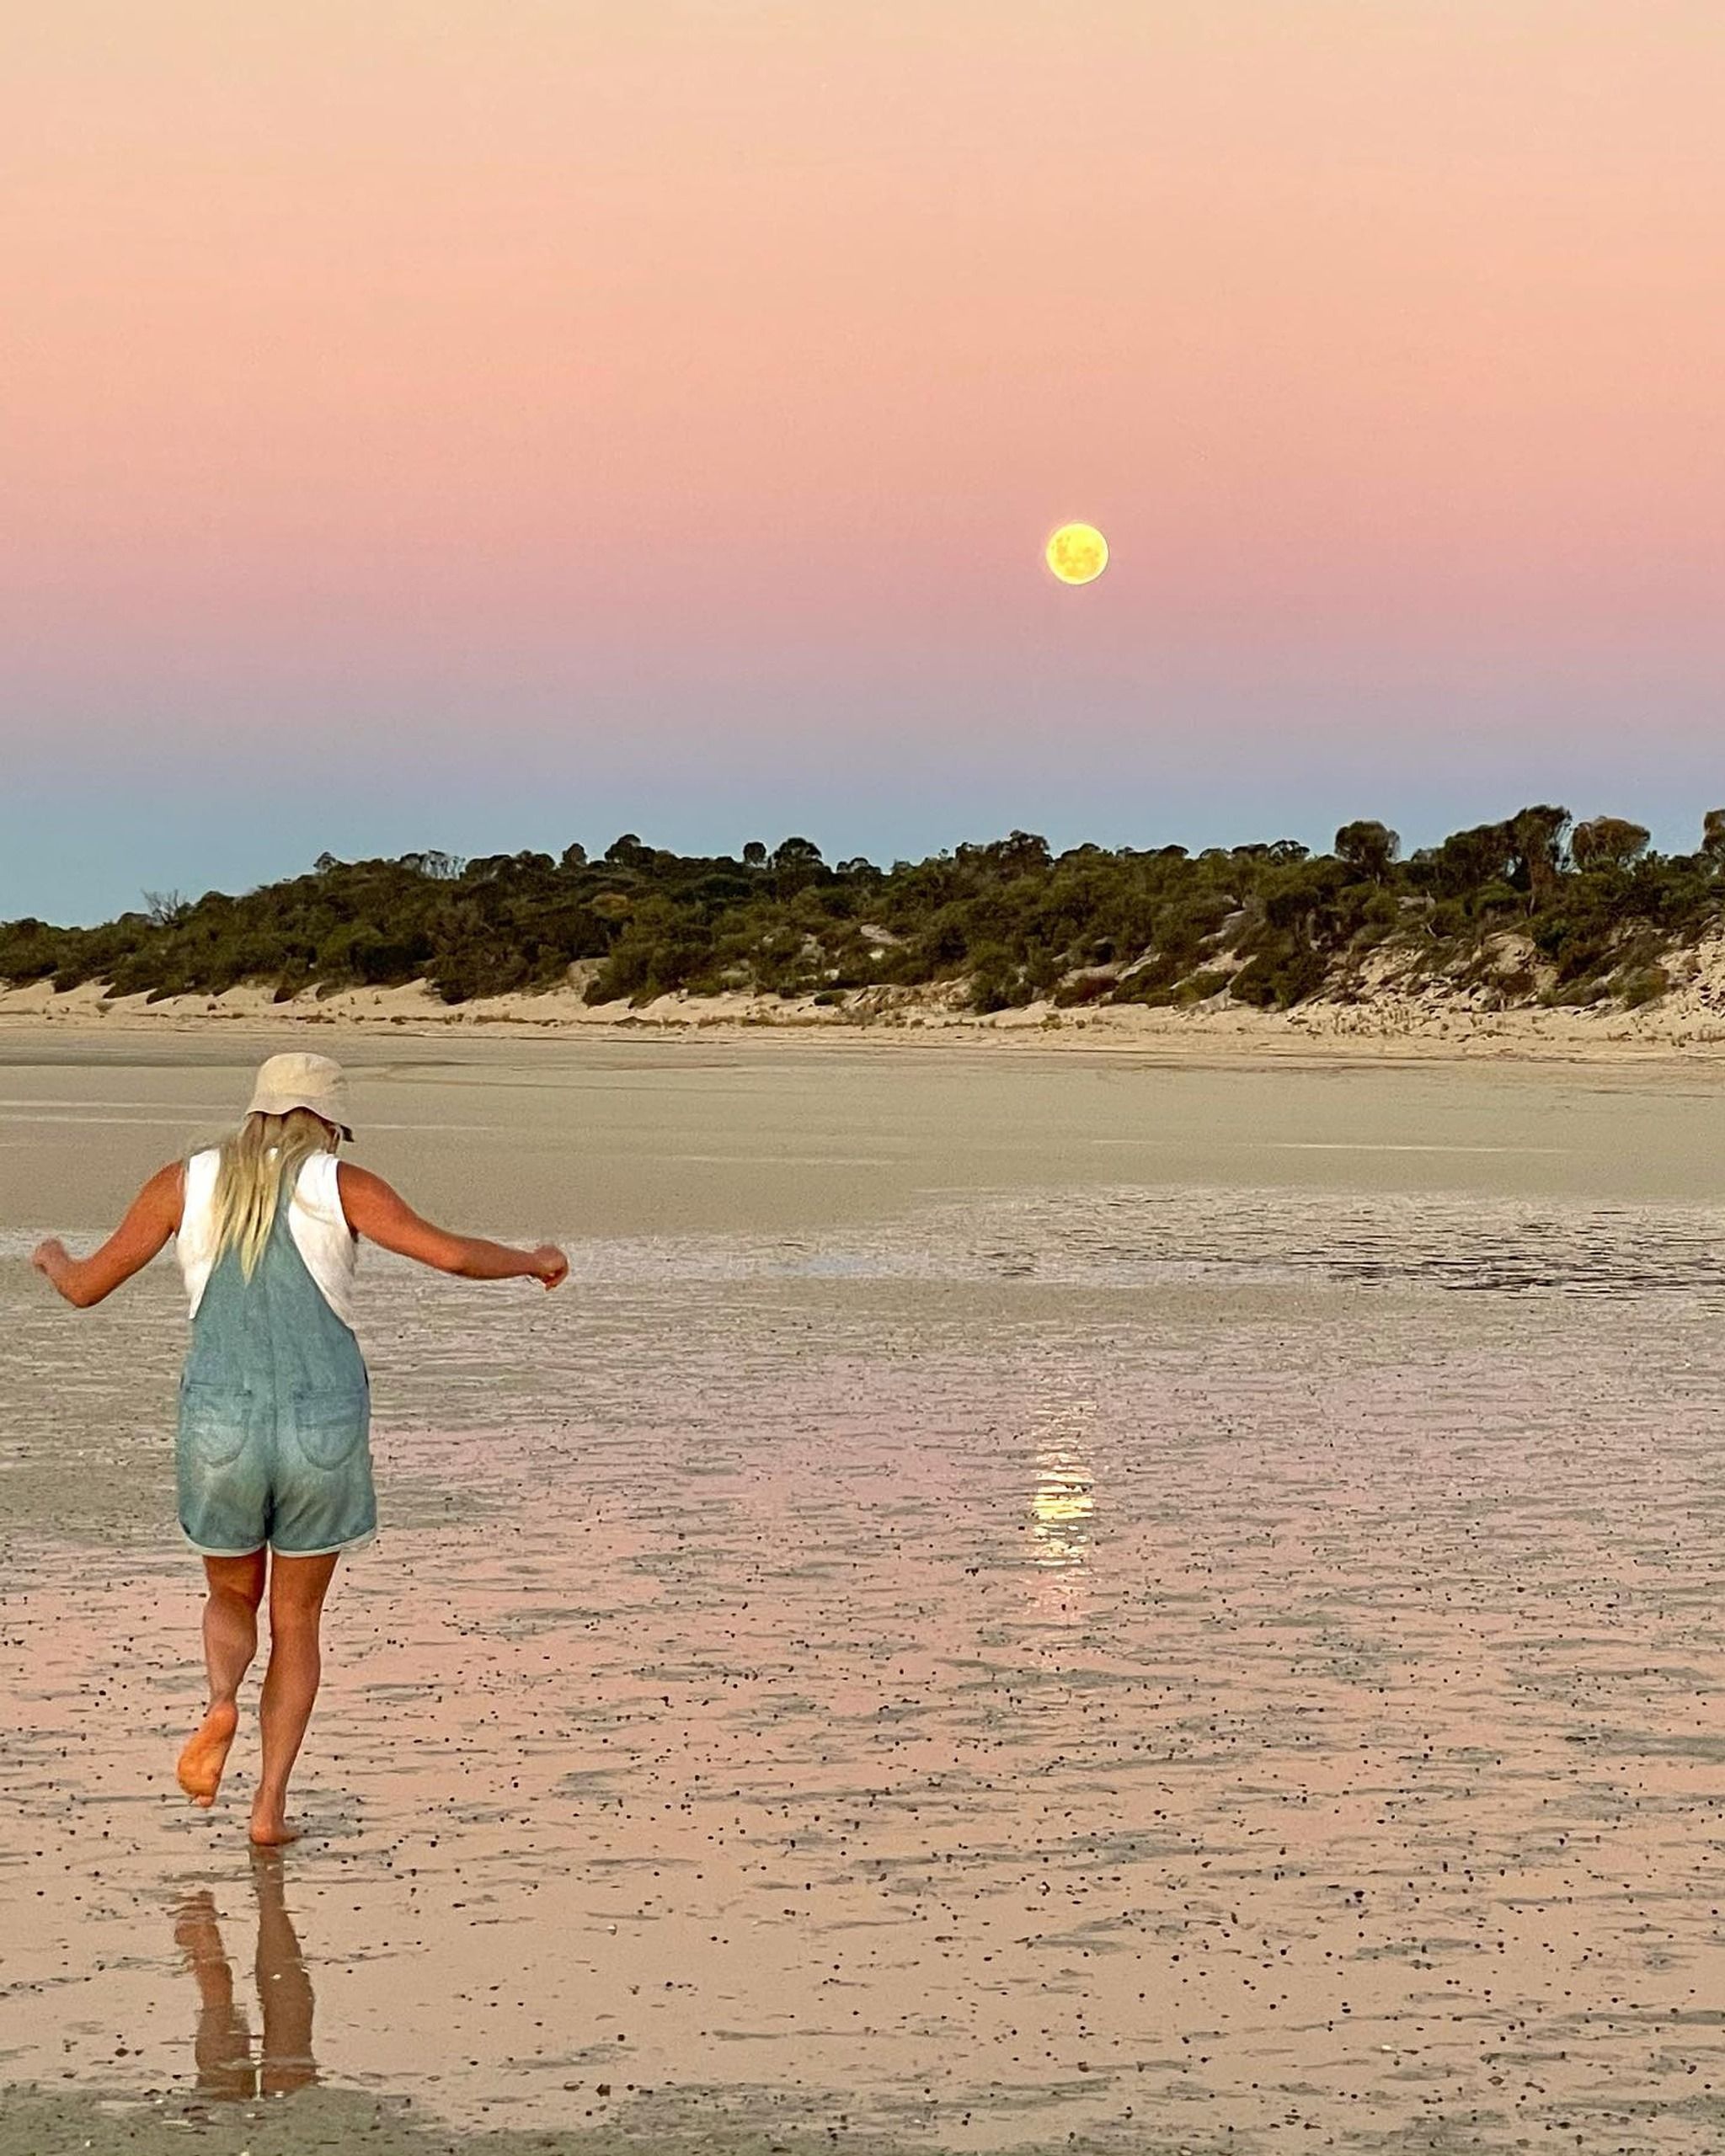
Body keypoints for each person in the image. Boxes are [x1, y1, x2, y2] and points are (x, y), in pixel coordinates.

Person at [30, 1051, 568, 1845]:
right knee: (299, 1621)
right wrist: (533, 1260)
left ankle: (220, 1703)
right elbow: (451, 1255)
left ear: (257, 1112)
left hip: (221, 1424)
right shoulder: (342, 1186)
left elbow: (84, 1287)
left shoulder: (184, 1182)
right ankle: (268, 1810)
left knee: (229, 1597)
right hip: (324, 1424)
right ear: (327, 1123)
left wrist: (50, 1257)